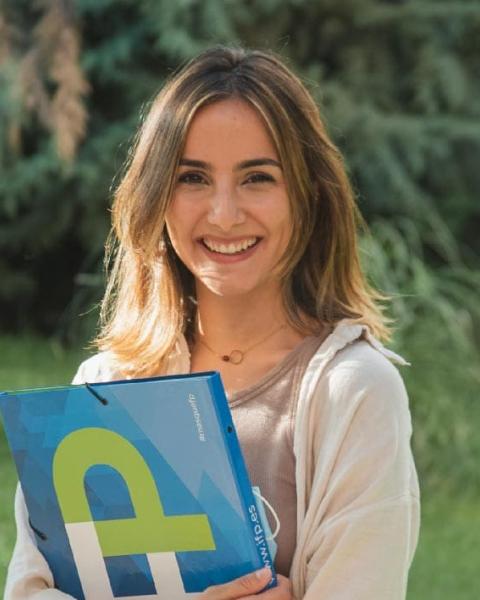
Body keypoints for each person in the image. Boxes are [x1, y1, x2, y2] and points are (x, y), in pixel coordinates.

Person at [5, 46, 420, 600]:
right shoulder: (103, 391)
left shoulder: (355, 394)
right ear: (157, 195)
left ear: (310, 196)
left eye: (257, 178)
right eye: (193, 178)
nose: (224, 214)